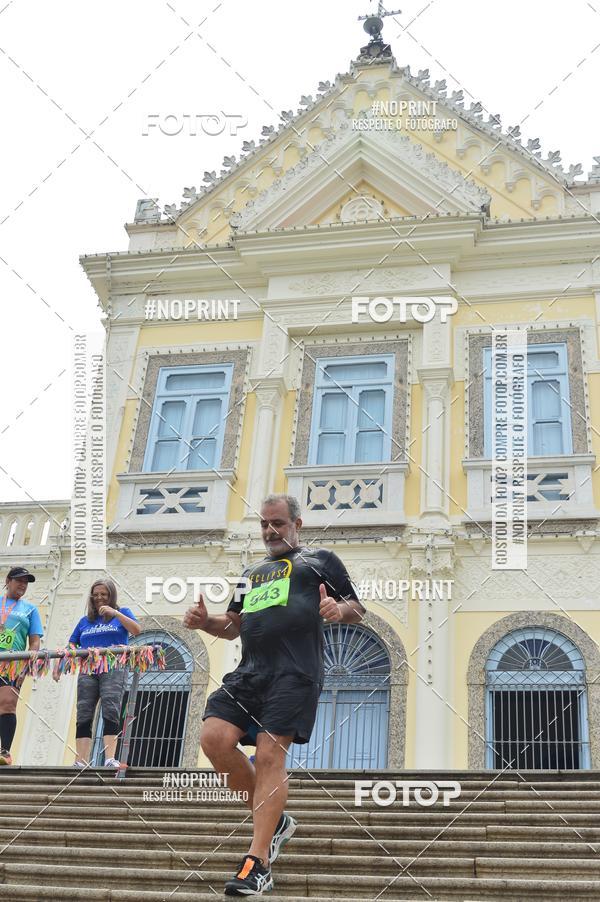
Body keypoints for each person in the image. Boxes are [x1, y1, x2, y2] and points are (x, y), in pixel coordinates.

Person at [184, 493, 365, 896]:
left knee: (268, 753)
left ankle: (258, 860)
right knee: (213, 738)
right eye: (264, 524)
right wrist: (203, 622)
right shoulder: (252, 571)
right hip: (250, 673)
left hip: (296, 672)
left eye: (278, 523)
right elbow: (231, 626)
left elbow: (356, 606)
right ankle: (276, 819)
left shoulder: (320, 561)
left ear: (296, 525)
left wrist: (338, 610)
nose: (270, 530)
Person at [54, 578, 140, 768]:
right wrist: (62, 662)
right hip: (88, 669)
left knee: (111, 710)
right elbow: (72, 643)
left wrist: (115, 613)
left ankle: (109, 758)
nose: (100, 598)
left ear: (111, 596)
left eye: (104, 594)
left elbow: (136, 629)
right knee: (84, 713)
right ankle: (81, 760)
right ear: (91, 598)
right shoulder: (85, 621)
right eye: (96, 595)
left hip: (113, 667)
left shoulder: (122, 613)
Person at [0, 566, 44, 765]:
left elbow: (34, 642)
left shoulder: (30, 609)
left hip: (12, 664)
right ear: (8, 581)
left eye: (26, 582)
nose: (23, 585)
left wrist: (26, 666)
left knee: (8, 704)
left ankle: (5, 751)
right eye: (19, 580)